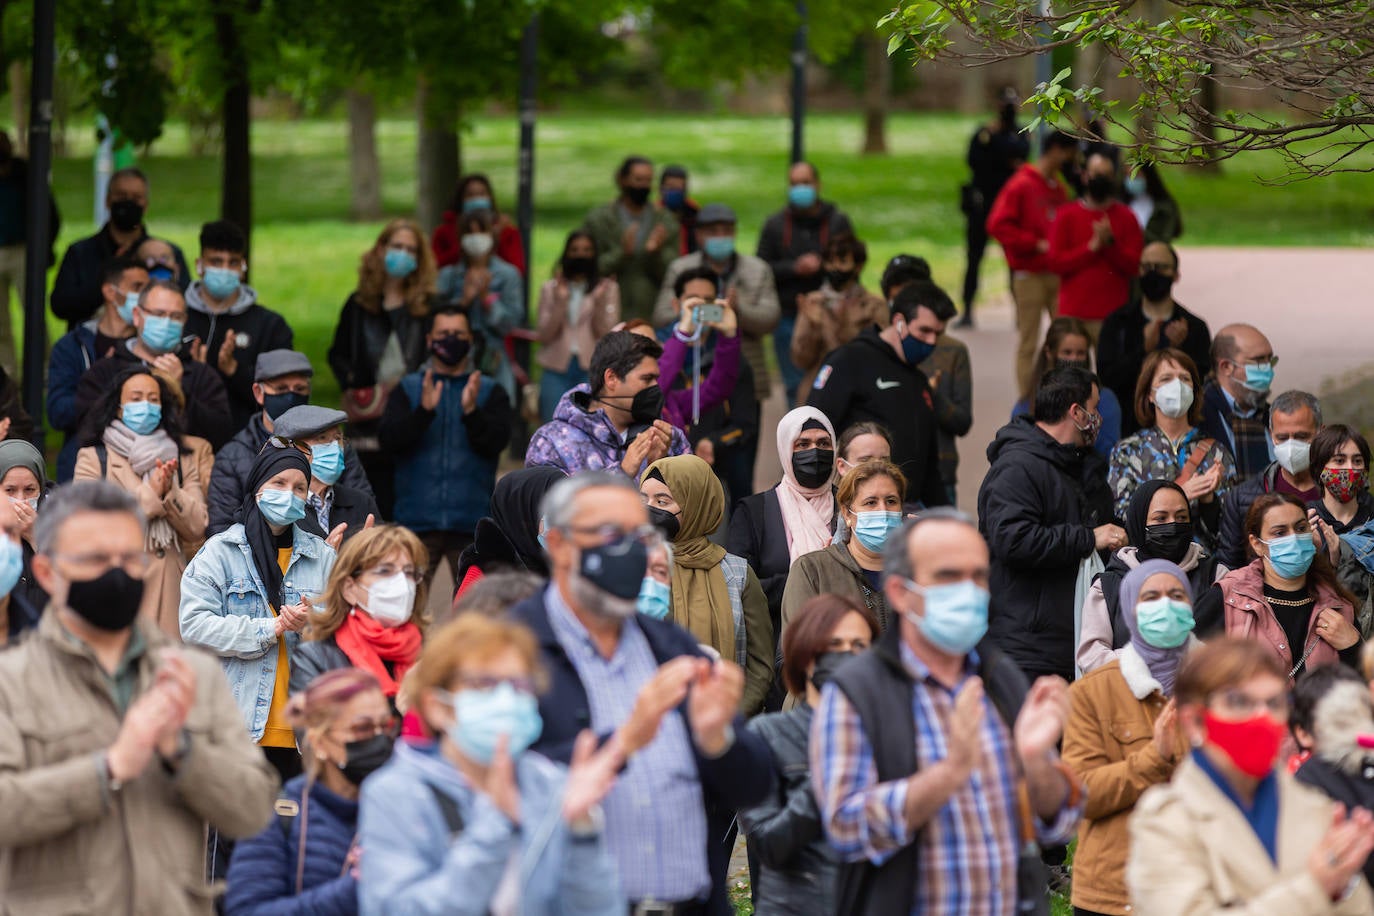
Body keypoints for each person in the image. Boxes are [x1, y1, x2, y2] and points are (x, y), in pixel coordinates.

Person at [0, 480, 278, 913]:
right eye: (95, 558)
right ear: (47, 572)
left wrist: (183, 752)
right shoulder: (11, 682)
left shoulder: (193, 675)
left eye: (130, 558)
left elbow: (254, 810)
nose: (117, 572)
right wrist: (106, 771)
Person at [507, 472, 775, 913]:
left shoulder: (672, 647)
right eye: (612, 534)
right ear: (557, 545)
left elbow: (755, 785)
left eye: (640, 534)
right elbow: (502, 793)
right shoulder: (513, 649)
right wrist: (628, 740)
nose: (630, 549)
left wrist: (719, 740)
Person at [812, 510, 1084, 916]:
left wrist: (1034, 763)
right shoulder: (858, 691)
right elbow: (846, 827)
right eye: (948, 576)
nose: (969, 591)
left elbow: (1058, 822)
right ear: (901, 592)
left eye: (978, 576)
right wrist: (950, 772)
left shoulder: (1001, 677)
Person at [357, 612, 624, 915]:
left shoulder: (547, 783)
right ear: (437, 707)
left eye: (518, 684)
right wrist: (497, 824)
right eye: (484, 684)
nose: (506, 698)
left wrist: (582, 831)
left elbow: (599, 909)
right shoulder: (395, 793)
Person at [1126, 637, 1374, 914]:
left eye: (1273, 703)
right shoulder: (1166, 820)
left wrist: (1343, 883)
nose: (1261, 717)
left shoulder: (1314, 804)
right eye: (1239, 702)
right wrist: (1315, 888)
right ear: (1195, 721)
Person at [180, 446, 337, 782]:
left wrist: (314, 622)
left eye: (299, 487)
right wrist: (271, 627)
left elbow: (343, 629)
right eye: (279, 483)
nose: (289, 494)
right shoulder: (220, 552)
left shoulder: (322, 556)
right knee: (233, 833)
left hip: (303, 732)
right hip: (236, 728)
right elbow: (194, 626)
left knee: (295, 831)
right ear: (257, 487)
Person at [1063, 559, 1194, 916]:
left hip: (1199, 888)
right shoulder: (1092, 691)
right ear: (1128, 609)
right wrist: (1155, 758)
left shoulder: (1220, 686)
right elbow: (1082, 795)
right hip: (1115, 892)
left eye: (1176, 595)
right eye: (1150, 597)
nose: (1165, 606)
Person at [980, 365, 1123, 681]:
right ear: (1076, 412)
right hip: (1028, 649)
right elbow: (1013, 539)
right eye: (1094, 408)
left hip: (1068, 642)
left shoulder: (1078, 464)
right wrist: (1088, 538)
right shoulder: (1017, 467)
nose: (1098, 418)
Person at [739, 594, 878, 915]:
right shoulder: (767, 735)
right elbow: (768, 845)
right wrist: (831, 775)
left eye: (859, 646)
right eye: (834, 645)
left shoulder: (890, 731)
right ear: (805, 656)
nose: (847, 656)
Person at [224, 668, 394, 916]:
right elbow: (248, 910)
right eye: (363, 728)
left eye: (385, 726)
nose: (379, 739)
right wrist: (355, 887)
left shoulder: (404, 809)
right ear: (320, 742)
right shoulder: (278, 817)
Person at [73, 366, 208, 640]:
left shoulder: (181, 459)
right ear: (120, 408)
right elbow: (89, 528)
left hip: (173, 592)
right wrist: (149, 495)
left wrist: (169, 490)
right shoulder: (93, 459)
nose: (145, 405)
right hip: (117, 589)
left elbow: (197, 526)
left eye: (153, 399)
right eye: (136, 398)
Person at [379, 307, 513, 584]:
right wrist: (423, 413)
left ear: (470, 340)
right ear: (429, 340)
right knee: (402, 611)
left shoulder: (489, 391)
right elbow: (390, 442)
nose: (451, 340)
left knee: (475, 615)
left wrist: (472, 412)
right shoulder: (408, 389)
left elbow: (495, 444)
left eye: (458, 334)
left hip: (471, 524)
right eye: (443, 334)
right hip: (415, 523)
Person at [640, 454, 774, 714]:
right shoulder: (637, 566)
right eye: (643, 499)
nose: (649, 508)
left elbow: (760, 666)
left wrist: (730, 718)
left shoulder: (738, 574)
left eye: (662, 501)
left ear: (695, 505)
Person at [806, 283, 951, 509]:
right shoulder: (848, 361)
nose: (932, 341)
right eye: (924, 331)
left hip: (907, 510)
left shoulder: (919, 380)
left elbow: (930, 467)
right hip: (857, 509)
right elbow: (812, 431)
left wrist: (947, 517)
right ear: (899, 321)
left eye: (938, 334)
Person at [328, 218, 436, 518]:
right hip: (367, 421)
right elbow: (337, 354)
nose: (402, 254)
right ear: (381, 249)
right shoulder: (359, 304)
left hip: (410, 416)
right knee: (366, 505)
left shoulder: (428, 307)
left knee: (404, 504)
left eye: (410, 250)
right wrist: (354, 385)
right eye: (396, 246)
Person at [1194, 492, 1361, 679]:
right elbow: (1189, 669)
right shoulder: (1228, 598)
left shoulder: (1339, 606)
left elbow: (1362, 688)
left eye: (1300, 528)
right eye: (1280, 533)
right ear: (1256, 544)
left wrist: (1354, 646)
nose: (1294, 538)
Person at [208, 349, 373, 536]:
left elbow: (362, 506)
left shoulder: (336, 448)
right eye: (281, 389)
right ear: (259, 393)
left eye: (300, 389)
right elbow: (222, 529)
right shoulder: (234, 456)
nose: (291, 397)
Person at [1078, 479, 1228, 673]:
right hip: (1130, 698)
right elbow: (1091, 656)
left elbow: (1238, 644)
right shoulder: (1108, 586)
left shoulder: (1217, 576)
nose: (1173, 525)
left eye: (1182, 517)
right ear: (1139, 522)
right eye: (1160, 518)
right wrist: (1147, 658)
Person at [74, 280, 234, 450]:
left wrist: (180, 391)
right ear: (137, 316)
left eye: (175, 316)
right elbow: (87, 430)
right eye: (158, 314)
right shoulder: (105, 371)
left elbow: (220, 436)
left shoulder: (202, 375)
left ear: (184, 321)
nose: (166, 322)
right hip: (115, 470)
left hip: (181, 470)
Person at [654, 202, 780, 407]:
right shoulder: (681, 268)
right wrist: (696, 312)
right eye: (713, 231)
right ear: (699, 235)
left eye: (727, 231)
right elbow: (661, 315)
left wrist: (738, 310)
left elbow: (771, 318)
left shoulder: (758, 269)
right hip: (689, 375)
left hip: (745, 371)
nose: (721, 237)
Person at [728, 407, 837, 641]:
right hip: (774, 644)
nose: (815, 452)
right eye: (803, 444)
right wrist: (812, 581)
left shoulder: (850, 505)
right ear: (786, 449)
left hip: (843, 636)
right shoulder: (753, 512)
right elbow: (740, 587)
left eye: (823, 443)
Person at [986, 129, 1079, 398]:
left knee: (1064, 337)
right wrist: (1033, 243)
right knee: (1029, 341)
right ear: (1055, 151)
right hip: (1029, 274)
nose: (1069, 163)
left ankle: (1063, 394)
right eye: (1067, 156)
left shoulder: (1058, 188)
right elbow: (997, 224)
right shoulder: (1022, 184)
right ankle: (1027, 401)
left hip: (1056, 273)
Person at [525, 329, 690, 476]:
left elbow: (697, 503)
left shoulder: (668, 438)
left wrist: (660, 469)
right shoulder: (552, 442)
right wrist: (621, 474)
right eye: (647, 379)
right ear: (611, 378)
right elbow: (549, 507)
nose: (656, 387)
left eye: (656, 379)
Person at [291, 525, 427, 698]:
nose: (402, 584)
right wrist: (404, 711)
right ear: (349, 588)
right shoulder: (316, 659)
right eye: (385, 571)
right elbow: (315, 724)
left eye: (409, 573)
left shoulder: (428, 657)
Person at [757, 160, 853, 404]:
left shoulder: (837, 222)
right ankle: (798, 437)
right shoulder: (775, 224)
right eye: (795, 183)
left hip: (832, 315)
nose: (800, 189)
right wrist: (794, 268)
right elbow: (762, 268)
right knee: (794, 386)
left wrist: (824, 265)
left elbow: (852, 265)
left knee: (834, 381)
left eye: (806, 183)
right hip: (789, 316)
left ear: (817, 184)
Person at [183, 219, 295, 429]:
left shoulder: (270, 325)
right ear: (199, 265)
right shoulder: (177, 318)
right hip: (187, 441)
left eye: (232, 262)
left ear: (243, 267)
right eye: (216, 262)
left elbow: (284, 396)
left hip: (250, 443)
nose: (225, 270)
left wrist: (235, 371)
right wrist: (194, 373)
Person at [1107, 348, 1235, 531]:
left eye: (1184, 378)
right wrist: (1181, 495)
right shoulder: (1128, 450)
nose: (1178, 386)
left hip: (1202, 558)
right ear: (1149, 394)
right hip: (1149, 559)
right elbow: (1122, 518)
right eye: (1166, 379)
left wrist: (1208, 500)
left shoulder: (1217, 451)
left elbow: (1229, 530)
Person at [657, 269, 755, 501]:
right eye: (692, 300)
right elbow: (656, 386)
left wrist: (729, 336)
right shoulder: (665, 355)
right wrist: (682, 335)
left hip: (696, 478)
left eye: (708, 301)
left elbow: (717, 389)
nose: (699, 307)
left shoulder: (673, 403)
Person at [1096, 241, 1212, 436]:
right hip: (1126, 429)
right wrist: (1144, 350)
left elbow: (1200, 384)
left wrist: (1178, 351)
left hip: (1180, 432)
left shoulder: (1194, 327)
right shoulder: (1117, 323)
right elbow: (1108, 379)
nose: (1152, 273)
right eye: (1146, 267)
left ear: (1175, 274)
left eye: (1160, 267)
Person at [50, 167, 189, 327]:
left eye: (136, 198)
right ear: (108, 200)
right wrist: (112, 276)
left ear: (146, 204)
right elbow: (60, 306)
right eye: (121, 196)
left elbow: (184, 304)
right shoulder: (80, 252)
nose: (129, 202)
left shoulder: (165, 254)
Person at [781, 460, 906, 637]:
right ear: (847, 514)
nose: (883, 511)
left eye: (891, 501)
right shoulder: (812, 569)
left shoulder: (916, 571)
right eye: (871, 502)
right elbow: (796, 652)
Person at [48, 254, 146, 481]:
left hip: (139, 467)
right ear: (110, 292)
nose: (145, 295)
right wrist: (104, 380)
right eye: (137, 287)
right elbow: (58, 412)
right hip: (82, 466)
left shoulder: (149, 347)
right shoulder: (72, 346)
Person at [1216, 389, 1323, 569]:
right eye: (1282, 437)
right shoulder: (1243, 498)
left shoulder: (1339, 489)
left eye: (1301, 436)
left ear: (1320, 433)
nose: (1291, 445)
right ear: (1271, 435)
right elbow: (1228, 567)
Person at [1291, 664, 1374, 886]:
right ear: (1304, 733)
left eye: (1358, 715)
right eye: (1337, 721)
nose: (1351, 728)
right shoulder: (1308, 779)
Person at [1047, 152, 1143, 341]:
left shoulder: (1127, 217)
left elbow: (1135, 266)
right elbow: (1055, 263)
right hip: (1072, 315)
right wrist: (1091, 248)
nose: (1100, 179)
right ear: (1084, 176)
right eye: (1095, 173)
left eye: (1106, 174)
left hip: (1112, 316)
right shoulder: (1066, 215)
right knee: (1070, 369)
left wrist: (1110, 245)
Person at [433, 209, 524, 403]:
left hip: (494, 364)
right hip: (452, 364)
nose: (476, 238)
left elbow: (509, 325)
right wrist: (464, 301)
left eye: (481, 231)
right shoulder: (447, 276)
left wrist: (487, 299)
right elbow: (434, 320)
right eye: (469, 232)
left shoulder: (508, 275)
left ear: (492, 235)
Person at [535, 230, 621, 423]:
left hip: (591, 367)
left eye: (587, 250)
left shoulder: (607, 289)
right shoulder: (551, 288)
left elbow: (607, 333)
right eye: (574, 250)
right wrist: (560, 302)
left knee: (590, 426)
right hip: (556, 367)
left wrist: (598, 303)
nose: (580, 255)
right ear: (566, 254)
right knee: (553, 424)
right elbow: (544, 334)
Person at [789, 233, 888, 401]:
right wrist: (813, 328)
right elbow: (800, 360)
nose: (834, 268)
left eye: (842, 262)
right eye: (829, 261)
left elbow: (877, 358)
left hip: (861, 394)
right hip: (818, 393)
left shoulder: (874, 306)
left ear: (858, 266)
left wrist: (846, 323)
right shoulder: (813, 302)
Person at [961, 86, 1030, 326]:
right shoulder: (985, 132)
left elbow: (1022, 156)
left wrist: (998, 151)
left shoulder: (1020, 133)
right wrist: (1003, 156)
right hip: (982, 204)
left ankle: (1019, 313)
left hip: (1009, 207)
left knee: (1014, 260)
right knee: (974, 258)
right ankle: (968, 310)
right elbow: (974, 161)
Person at [582, 155, 678, 323]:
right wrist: (621, 254)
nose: (644, 186)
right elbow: (587, 269)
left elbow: (673, 273)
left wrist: (655, 253)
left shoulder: (664, 221)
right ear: (623, 180)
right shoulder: (599, 219)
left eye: (648, 181)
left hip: (652, 314)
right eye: (638, 179)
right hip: (606, 313)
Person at [1012, 316, 1122, 459]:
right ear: (1049, 353)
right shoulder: (1026, 405)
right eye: (1067, 352)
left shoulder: (1104, 399)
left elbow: (1109, 455)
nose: (1074, 359)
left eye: (1080, 353)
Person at [273, 405, 380, 546]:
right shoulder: (276, 505)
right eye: (322, 438)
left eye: (338, 438)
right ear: (294, 449)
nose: (335, 447)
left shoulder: (361, 502)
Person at [906, 280, 973, 505]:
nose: (931, 340)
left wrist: (931, 395)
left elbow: (962, 421)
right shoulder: (887, 351)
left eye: (938, 331)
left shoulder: (953, 351)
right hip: (894, 477)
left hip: (941, 471)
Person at [0, 129, 59, 373]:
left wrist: (43, 249)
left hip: (22, 250)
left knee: (33, 311)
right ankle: (7, 371)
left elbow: (49, 214)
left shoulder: (24, 174)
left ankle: (45, 367)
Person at [454, 467, 565, 596]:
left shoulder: (569, 567)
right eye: (552, 513)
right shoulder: (481, 581)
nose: (562, 524)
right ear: (523, 514)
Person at [1308, 425, 1374, 637]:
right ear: (1320, 469)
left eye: (1357, 461)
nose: (1349, 468)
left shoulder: (1371, 515)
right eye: (1339, 460)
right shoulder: (1304, 520)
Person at [1199, 322, 1279, 484]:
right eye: (1258, 361)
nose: (1268, 370)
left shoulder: (1272, 415)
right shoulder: (1197, 415)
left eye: (1269, 360)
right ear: (1226, 366)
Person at [0, 439, 49, 640]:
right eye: (10, 490)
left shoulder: (62, 522)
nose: (20, 500)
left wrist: (37, 535)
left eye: (29, 490)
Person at [430, 172, 526, 274]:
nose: (477, 199)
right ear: (461, 200)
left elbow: (517, 269)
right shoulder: (443, 232)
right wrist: (466, 246)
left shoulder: (507, 231)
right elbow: (434, 266)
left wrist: (497, 238)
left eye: (482, 194)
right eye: (470, 195)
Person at [1124, 161, 1183, 243]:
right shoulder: (1121, 203)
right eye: (1127, 176)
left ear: (1148, 175)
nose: (1131, 180)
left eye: (1136, 176)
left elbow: (1165, 238)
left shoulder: (1164, 206)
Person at [658, 163, 700, 255]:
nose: (675, 191)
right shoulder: (654, 213)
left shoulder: (694, 212)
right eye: (671, 187)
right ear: (661, 188)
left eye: (679, 188)